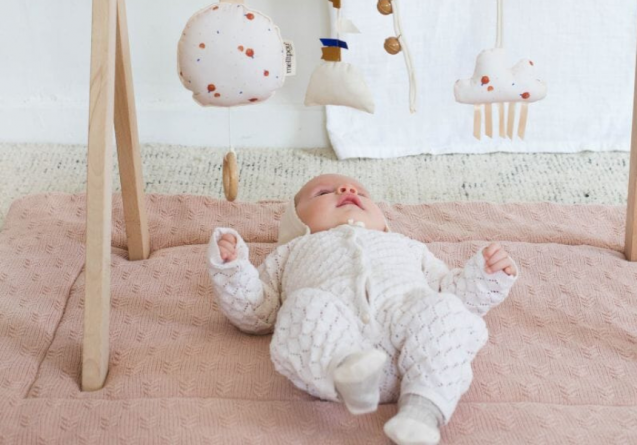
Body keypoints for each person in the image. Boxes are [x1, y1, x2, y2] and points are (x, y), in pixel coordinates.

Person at [207, 173, 519, 445]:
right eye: (324, 192)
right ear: (296, 221)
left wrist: (485, 278)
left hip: (411, 344)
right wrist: (233, 271)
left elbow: (453, 295)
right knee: (303, 307)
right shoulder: (289, 253)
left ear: (383, 222)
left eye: (360, 192)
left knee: (443, 311)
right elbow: (256, 312)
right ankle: (350, 374)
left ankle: (422, 412)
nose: (347, 190)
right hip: (336, 352)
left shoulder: (407, 246)